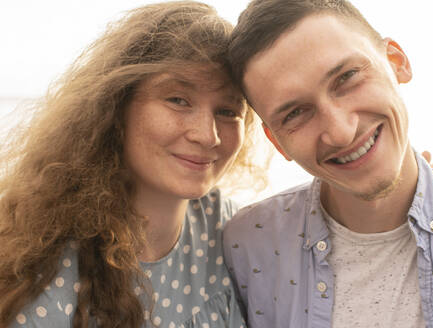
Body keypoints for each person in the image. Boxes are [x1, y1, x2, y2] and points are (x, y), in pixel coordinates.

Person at [223, 0, 433, 327]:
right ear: (277, 142)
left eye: (347, 77)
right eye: (295, 113)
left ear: (396, 61)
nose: (340, 132)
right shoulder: (245, 247)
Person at [0, 2, 269, 327]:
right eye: (178, 100)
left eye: (227, 111)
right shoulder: (35, 259)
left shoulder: (236, 235)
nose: (207, 135)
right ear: (116, 105)